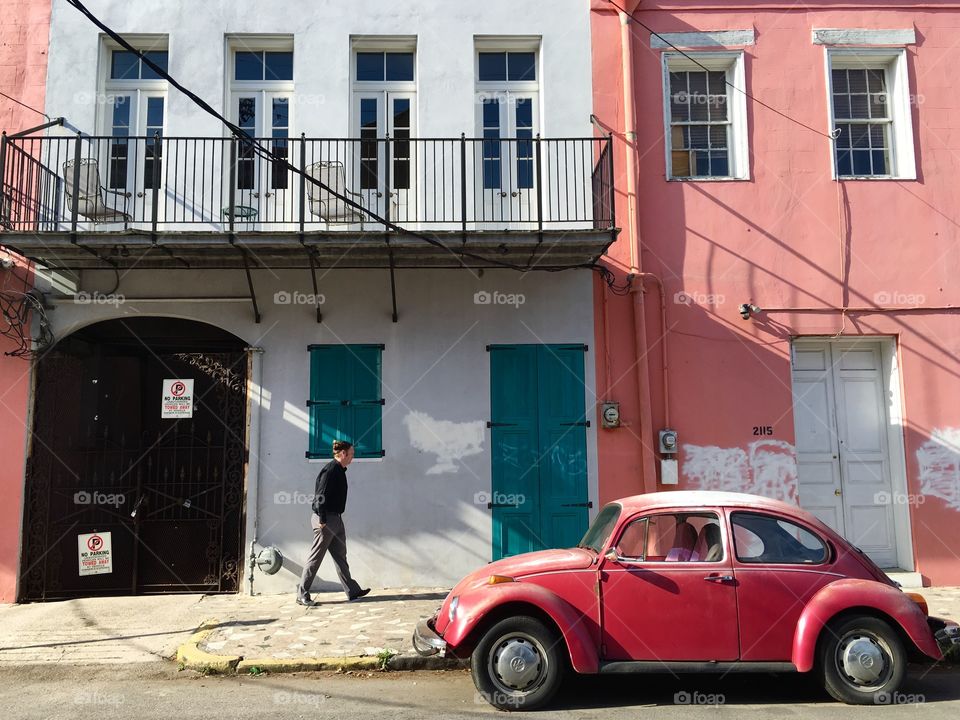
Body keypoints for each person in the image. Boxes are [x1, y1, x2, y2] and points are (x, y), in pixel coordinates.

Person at [296, 440, 370, 606]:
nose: (352, 458)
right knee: (315, 558)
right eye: (351, 454)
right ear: (343, 454)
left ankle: (353, 591)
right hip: (326, 519)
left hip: (335, 518)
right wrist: (322, 519)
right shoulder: (331, 470)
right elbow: (320, 495)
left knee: (340, 556)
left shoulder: (339, 470)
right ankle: (302, 594)